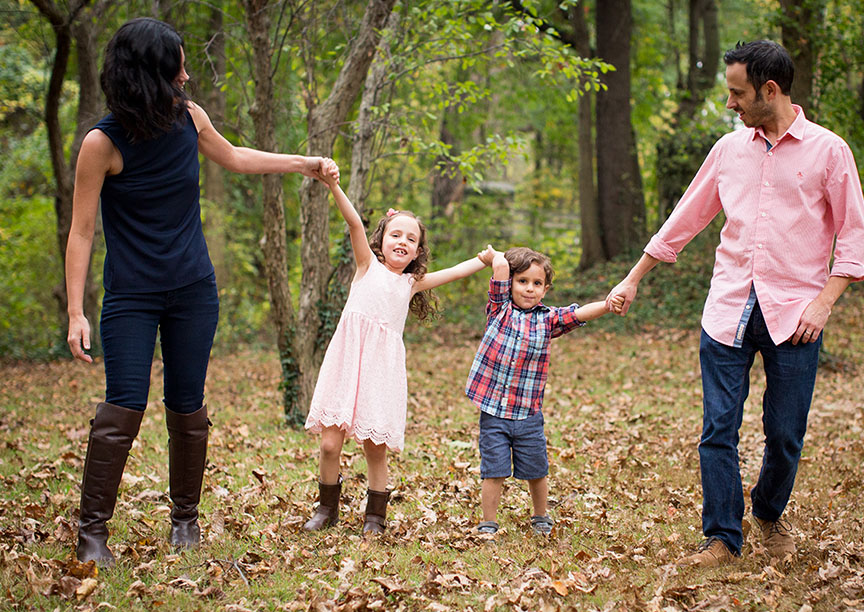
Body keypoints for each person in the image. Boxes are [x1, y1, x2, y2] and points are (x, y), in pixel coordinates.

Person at [65, 17, 338, 568]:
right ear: (149, 74)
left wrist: (304, 164)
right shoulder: (102, 142)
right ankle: (92, 532)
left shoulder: (190, 119)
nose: (187, 76)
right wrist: (75, 311)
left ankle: (184, 521)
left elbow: (235, 157)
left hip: (193, 290)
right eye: (177, 66)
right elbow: (82, 230)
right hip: (131, 297)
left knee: (187, 406)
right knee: (123, 406)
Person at [606, 40, 864, 566]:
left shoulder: (829, 151)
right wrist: (635, 278)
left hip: (796, 318)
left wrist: (823, 304)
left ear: (769, 91)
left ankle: (769, 514)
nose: (730, 104)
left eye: (737, 93)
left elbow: (856, 239)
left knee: (786, 433)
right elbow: (685, 218)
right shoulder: (729, 150)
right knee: (717, 430)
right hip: (727, 310)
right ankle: (723, 537)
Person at [302, 170, 494, 535]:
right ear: (382, 241)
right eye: (396, 235)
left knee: (375, 448)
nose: (402, 242)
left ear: (418, 251)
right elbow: (354, 223)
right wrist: (334, 186)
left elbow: (453, 272)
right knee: (329, 444)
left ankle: (375, 516)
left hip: (380, 371)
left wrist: (483, 260)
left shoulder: (411, 283)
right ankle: (326, 508)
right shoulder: (365, 266)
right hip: (346, 362)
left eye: (411, 238)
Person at [466, 247, 622, 536]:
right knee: (494, 469)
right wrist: (495, 256)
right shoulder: (499, 309)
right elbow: (499, 268)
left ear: (545, 289)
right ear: (510, 283)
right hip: (494, 412)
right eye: (522, 281)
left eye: (537, 284)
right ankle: (489, 520)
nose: (529, 289)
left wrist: (607, 304)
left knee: (536, 468)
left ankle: (540, 515)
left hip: (528, 413)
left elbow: (577, 314)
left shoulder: (547, 319)